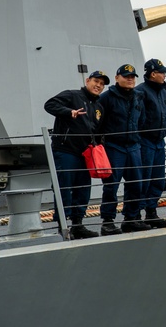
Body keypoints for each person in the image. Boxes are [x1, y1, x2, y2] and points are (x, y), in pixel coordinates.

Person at [45, 70, 107, 239]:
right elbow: (49, 104)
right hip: (66, 151)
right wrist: (68, 111)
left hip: (85, 154)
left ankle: (78, 225)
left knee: (83, 189)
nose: (98, 85)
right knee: (64, 188)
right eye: (96, 81)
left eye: (102, 84)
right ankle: (62, 226)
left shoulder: (98, 106)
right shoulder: (72, 95)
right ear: (87, 80)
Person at [97, 64, 149, 235]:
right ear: (117, 77)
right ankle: (108, 221)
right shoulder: (106, 98)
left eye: (132, 77)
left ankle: (131, 218)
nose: (130, 79)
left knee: (136, 184)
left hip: (133, 146)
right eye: (126, 76)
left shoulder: (139, 97)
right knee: (111, 185)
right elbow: (97, 122)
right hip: (114, 147)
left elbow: (142, 120)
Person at [137, 59, 166, 228]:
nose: (165, 75)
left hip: (159, 142)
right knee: (143, 178)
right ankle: (135, 214)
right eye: (162, 72)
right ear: (153, 74)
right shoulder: (140, 92)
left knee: (158, 179)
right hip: (145, 142)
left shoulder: (163, 92)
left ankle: (151, 212)